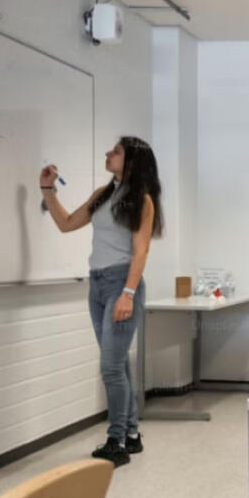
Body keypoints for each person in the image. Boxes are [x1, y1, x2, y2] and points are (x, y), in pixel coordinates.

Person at [40, 137, 163, 467]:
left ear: (133, 162)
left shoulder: (143, 201)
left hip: (122, 284)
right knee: (117, 363)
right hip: (96, 284)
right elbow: (66, 224)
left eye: (116, 152)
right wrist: (47, 190)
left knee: (110, 366)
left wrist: (129, 293)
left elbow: (141, 252)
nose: (108, 154)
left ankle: (116, 440)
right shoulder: (102, 195)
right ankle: (132, 434)